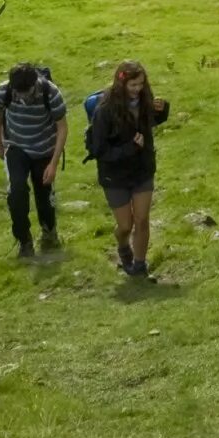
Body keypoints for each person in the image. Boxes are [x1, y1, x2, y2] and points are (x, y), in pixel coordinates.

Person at [86, 59, 169, 279]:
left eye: (141, 84)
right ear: (121, 83)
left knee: (142, 219)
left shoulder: (145, 101)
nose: (137, 90)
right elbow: (99, 150)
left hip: (142, 171)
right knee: (125, 225)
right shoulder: (104, 111)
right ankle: (123, 246)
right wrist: (130, 148)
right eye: (133, 86)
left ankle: (140, 266)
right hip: (115, 176)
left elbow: (151, 122)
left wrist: (162, 109)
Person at [0, 60, 68, 260]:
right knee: (16, 192)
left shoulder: (51, 93)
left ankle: (49, 232)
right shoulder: (4, 91)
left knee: (44, 196)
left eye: (28, 91)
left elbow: (62, 128)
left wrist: (54, 163)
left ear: (35, 83)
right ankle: (24, 241)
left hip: (44, 149)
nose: (23, 96)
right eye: (19, 92)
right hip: (16, 147)